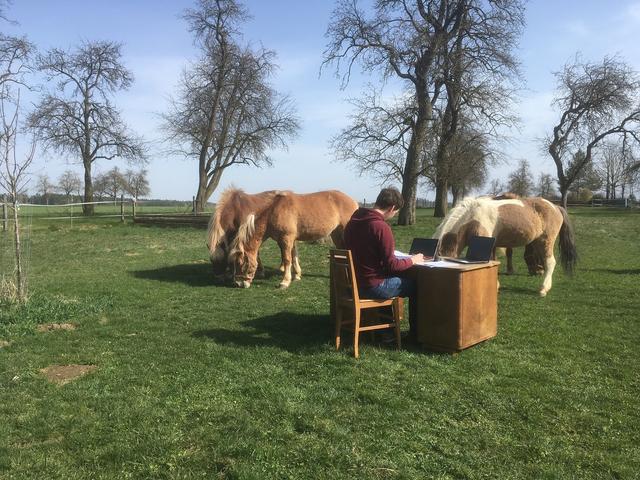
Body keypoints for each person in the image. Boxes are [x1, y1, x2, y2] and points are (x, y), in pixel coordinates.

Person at [344, 187, 425, 342]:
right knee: (415, 286)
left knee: (390, 279)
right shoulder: (380, 227)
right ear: (392, 208)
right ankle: (415, 333)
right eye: (395, 213)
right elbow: (392, 266)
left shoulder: (352, 222)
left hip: (354, 286)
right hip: (372, 287)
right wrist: (413, 260)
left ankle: (387, 331)